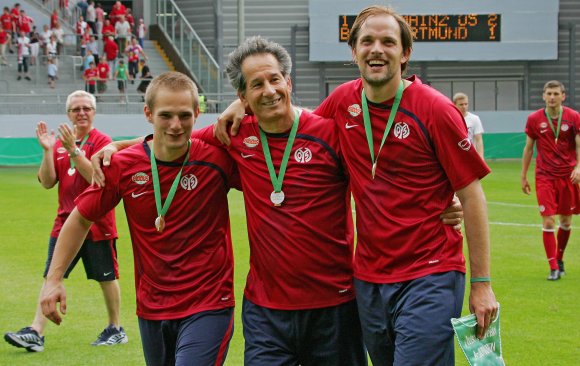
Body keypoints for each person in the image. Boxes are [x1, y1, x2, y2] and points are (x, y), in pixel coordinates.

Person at [92, 36, 464, 366]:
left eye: (274, 79)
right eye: (256, 84)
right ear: (243, 97)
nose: (268, 90)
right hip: (265, 312)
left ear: (288, 82)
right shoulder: (233, 136)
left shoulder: (329, 134)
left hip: (334, 305)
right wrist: (119, 146)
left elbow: (385, 178)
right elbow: (174, 141)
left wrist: (440, 202)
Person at [216, 6, 497, 366]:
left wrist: (482, 282)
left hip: (430, 269)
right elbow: (296, 125)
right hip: (369, 277)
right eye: (367, 41)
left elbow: (471, 195)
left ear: (405, 53)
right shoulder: (343, 102)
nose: (376, 49)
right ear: (354, 52)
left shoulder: (436, 110)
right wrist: (241, 105)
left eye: (388, 41)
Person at [40, 72, 237, 366]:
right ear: (148, 114)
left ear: (198, 113)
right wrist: (53, 280)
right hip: (152, 307)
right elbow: (80, 218)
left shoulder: (218, 158)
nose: (175, 125)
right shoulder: (122, 165)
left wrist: (241, 103)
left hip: (209, 303)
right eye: (165, 115)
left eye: (185, 115)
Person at [4, 90, 127, 353]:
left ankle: (115, 328)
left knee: (106, 277)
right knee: (51, 276)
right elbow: (47, 182)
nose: (81, 113)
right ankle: (36, 331)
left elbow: (98, 179)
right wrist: (49, 151)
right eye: (75, 109)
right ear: (68, 114)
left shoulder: (103, 142)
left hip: (97, 224)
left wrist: (74, 150)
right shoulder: (58, 143)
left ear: (94, 112)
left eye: (86, 108)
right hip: (64, 224)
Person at [521, 80, 580, 280]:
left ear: (563, 96)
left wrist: (579, 167)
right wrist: (523, 175)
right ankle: (553, 267)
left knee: (565, 220)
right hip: (544, 176)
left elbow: (579, 145)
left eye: (556, 93)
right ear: (544, 96)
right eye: (549, 93)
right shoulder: (534, 119)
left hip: (567, 176)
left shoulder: (573, 117)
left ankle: (560, 258)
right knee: (548, 220)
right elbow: (529, 148)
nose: (552, 97)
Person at [454, 93, 485, 159]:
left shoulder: (475, 119)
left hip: (471, 156)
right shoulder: (451, 119)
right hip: (455, 157)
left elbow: (479, 139)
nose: (464, 106)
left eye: (466, 104)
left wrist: (481, 157)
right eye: (461, 104)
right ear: (455, 105)